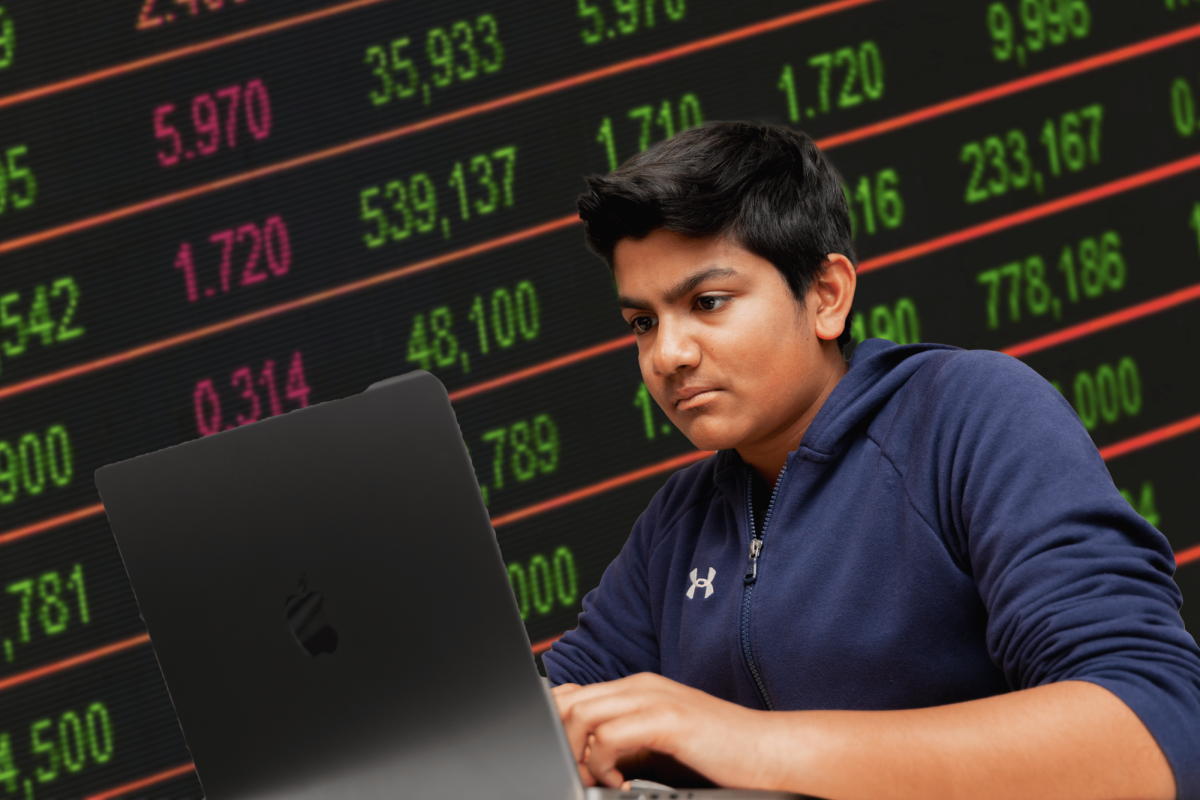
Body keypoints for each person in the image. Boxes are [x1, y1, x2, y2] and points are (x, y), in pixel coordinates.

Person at [541, 121, 1200, 800]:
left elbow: (1152, 730)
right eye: (643, 323)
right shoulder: (678, 524)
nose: (667, 355)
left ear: (826, 296)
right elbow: (536, 725)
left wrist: (739, 741)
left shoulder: (972, 414)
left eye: (707, 303)